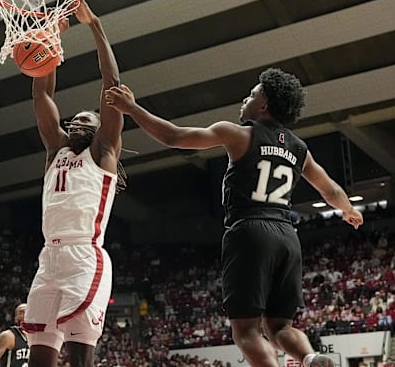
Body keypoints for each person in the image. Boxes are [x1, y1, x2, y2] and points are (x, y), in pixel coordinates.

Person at [104, 68, 364, 367]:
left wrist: (132, 108)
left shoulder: (239, 133)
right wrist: (348, 210)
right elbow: (329, 188)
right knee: (280, 327)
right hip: (287, 236)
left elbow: (174, 136)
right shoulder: (299, 149)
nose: (245, 98)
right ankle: (310, 356)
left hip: (250, 231)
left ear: (264, 105)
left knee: (246, 332)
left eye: (252, 94)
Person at [22, 0, 126, 367]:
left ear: (101, 130)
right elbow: (42, 94)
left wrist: (95, 25)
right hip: (48, 258)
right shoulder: (56, 151)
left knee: (81, 359)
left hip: (85, 256)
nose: (79, 121)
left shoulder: (103, 154)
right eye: (75, 118)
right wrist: (49, 44)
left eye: (88, 118)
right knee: (40, 357)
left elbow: (111, 86)